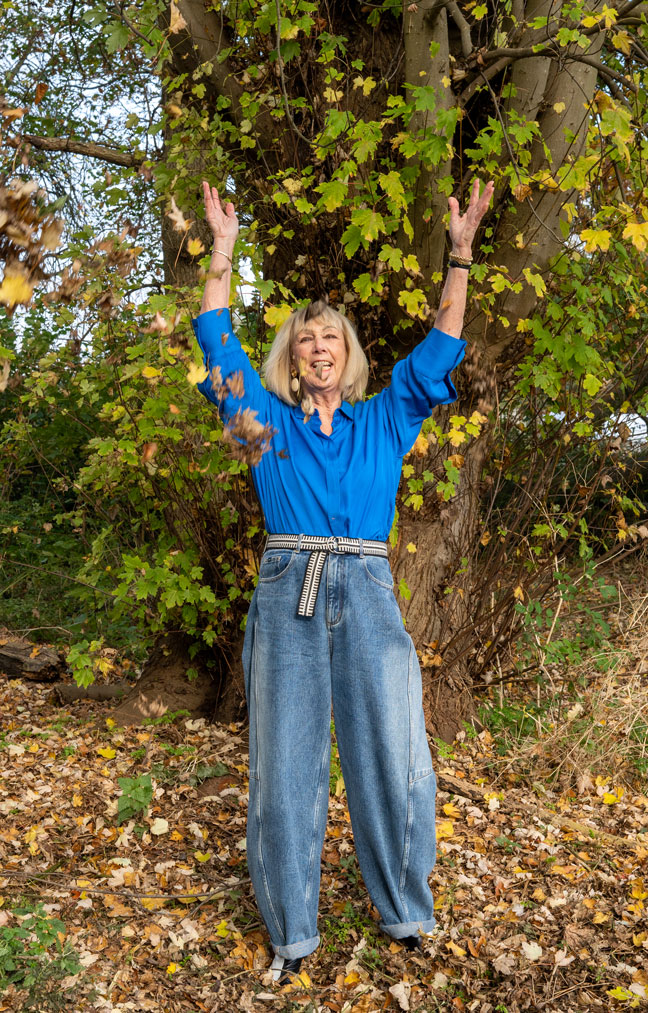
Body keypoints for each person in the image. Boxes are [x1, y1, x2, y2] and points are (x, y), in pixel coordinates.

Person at [193, 178, 494, 984]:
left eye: (330, 337)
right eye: (303, 340)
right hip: (287, 589)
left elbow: (439, 347)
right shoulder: (262, 425)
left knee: (394, 757)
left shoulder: (386, 417)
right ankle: (292, 933)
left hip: (365, 590)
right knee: (285, 771)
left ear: (347, 354)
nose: (318, 348)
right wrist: (222, 252)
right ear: (289, 359)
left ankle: (403, 911)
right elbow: (215, 341)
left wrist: (460, 254)